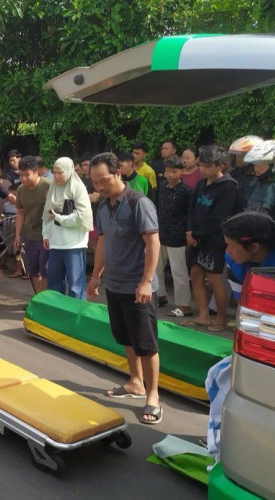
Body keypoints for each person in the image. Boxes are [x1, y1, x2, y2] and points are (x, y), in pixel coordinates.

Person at [87, 152, 162, 425]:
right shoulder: (105, 206)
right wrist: (96, 276)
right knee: (126, 338)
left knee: (146, 343)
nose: (99, 186)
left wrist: (145, 281)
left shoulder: (138, 203)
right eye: (94, 182)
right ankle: (135, 382)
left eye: (103, 180)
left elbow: (153, 244)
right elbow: (103, 243)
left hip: (137, 287)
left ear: (119, 173)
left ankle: (152, 396)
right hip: (115, 285)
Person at [205, 212, 275, 462]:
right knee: (218, 377)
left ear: (254, 247)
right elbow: (246, 312)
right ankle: (222, 449)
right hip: (266, 337)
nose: (225, 249)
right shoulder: (235, 261)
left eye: (229, 244)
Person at [185, 145, 240, 332]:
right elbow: (192, 208)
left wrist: (196, 234)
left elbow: (220, 217)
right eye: (202, 165)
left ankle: (222, 318)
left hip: (215, 240)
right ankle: (203, 315)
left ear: (221, 165)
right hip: (195, 238)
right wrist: (190, 231)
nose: (203, 169)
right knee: (195, 275)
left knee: (215, 280)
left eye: (207, 166)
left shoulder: (229, 186)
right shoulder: (201, 183)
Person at [41, 157, 92, 299]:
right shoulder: (53, 188)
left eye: (60, 173)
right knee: (54, 284)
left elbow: (82, 217)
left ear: (69, 171)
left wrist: (59, 218)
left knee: (76, 285)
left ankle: (76, 315)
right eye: (54, 172)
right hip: (55, 243)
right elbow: (46, 214)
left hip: (74, 244)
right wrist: (46, 234)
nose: (56, 176)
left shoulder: (78, 188)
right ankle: (57, 314)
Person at [154, 156, 193, 317]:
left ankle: (184, 306)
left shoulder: (186, 191)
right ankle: (160, 295)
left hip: (177, 235)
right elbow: (157, 208)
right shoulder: (162, 187)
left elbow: (190, 213)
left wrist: (188, 232)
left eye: (174, 171)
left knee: (179, 271)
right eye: (168, 171)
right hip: (161, 232)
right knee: (155, 268)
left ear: (181, 172)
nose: (171, 175)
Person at [14, 155, 51, 294]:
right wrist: (17, 235)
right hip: (30, 237)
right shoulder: (20, 190)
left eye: (27, 175)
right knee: (33, 271)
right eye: (21, 175)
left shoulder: (49, 186)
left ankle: (48, 303)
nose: (23, 179)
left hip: (47, 236)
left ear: (36, 172)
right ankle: (38, 299)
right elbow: (21, 213)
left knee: (46, 271)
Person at [243, 139, 275, 225]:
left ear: (274, 165)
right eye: (255, 165)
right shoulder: (254, 182)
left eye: (260, 165)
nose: (256, 169)